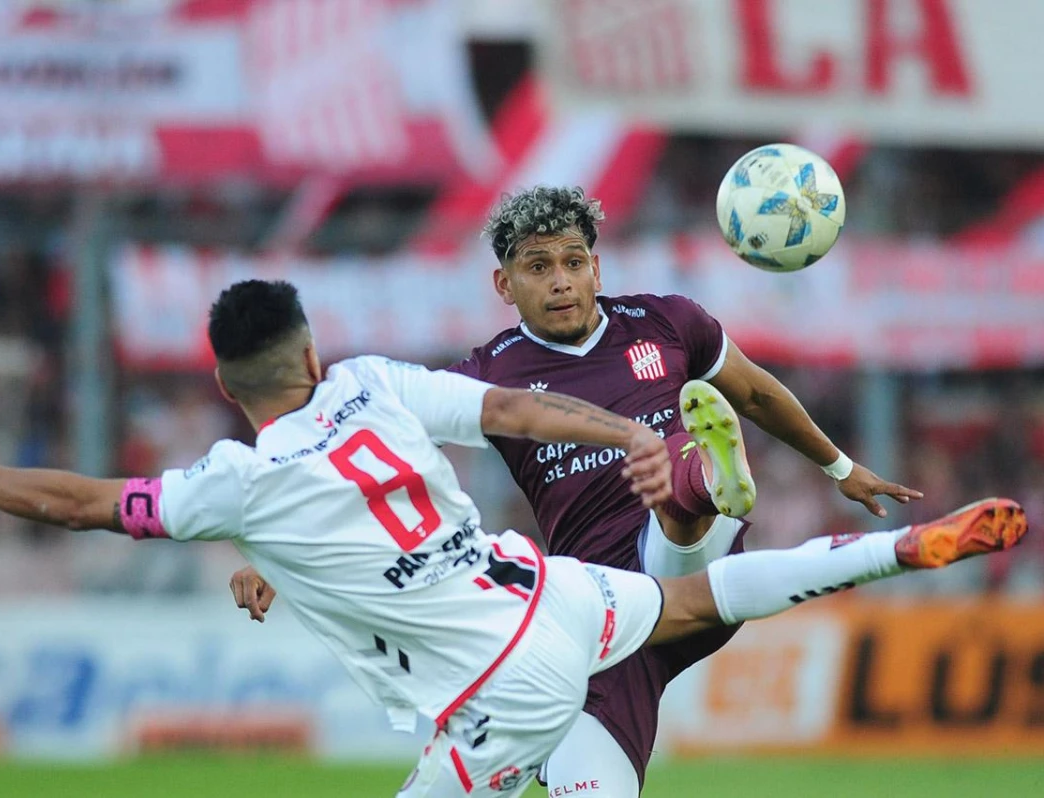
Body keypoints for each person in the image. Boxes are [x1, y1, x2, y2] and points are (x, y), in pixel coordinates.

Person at [0, 280, 1026, 798]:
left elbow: (81, 502)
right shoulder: (373, 383)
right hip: (551, 591)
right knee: (696, 598)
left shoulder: (233, 482)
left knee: (684, 611)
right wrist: (627, 430)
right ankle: (896, 547)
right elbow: (520, 410)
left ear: (223, 386)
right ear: (312, 357)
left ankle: (747, 521)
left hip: (493, 682)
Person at [231, 186, 926, 794]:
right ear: (505, 285)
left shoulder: (667, 324)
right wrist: (274, 558)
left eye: (572, 263)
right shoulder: (486, 376)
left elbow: (756, 394)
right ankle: (698, 478)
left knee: (675, 479)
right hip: (596, 623)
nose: (560, 281)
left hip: (686, 568)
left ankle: (703, 480)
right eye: (538, 268)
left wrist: (840, 468)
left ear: (596, 265)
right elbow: (366, 462)